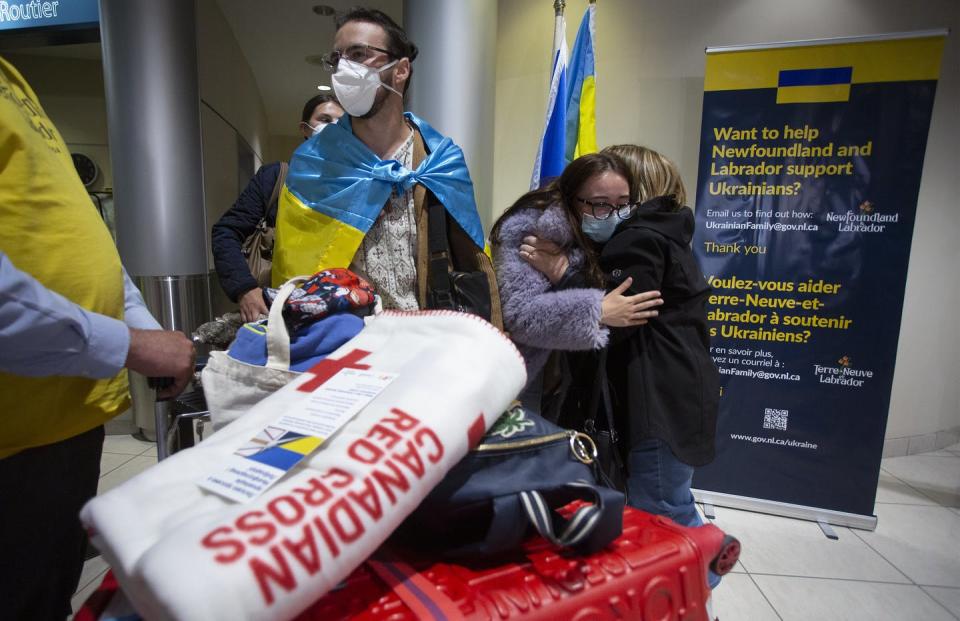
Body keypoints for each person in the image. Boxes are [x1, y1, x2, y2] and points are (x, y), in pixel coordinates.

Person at [0, 56, 196, 620]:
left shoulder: (14, 76)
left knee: (49, 591)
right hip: (13, 439)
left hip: (66, 421)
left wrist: (148, 331)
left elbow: (82, 241)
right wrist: (129, 346)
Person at [521, 145, 721, 590]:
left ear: (639, 190)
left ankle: (704, 575)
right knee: (663, 500)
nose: (611, 208)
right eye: (599, 200)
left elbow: (622, 319)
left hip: (658, 407)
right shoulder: (668, 233)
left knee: (663, 513)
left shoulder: (639, 239)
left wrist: (561, 272)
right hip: (676, 398)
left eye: (619, 198)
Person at [270, 8, 498, 322]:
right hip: (345, 343)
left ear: (400, 70)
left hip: (428, 339)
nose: (344, 69)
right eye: (337, 59)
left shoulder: (438, 160)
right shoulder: (315, 164)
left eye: (359, 54)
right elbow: (295, 276)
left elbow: (473, 262)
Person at [490, 152, 663, 411]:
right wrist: (597, 310)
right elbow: (520, 316)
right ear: (572, 200)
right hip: (526, 383)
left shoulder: (627, 231)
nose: (613, 214)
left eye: (623, 203)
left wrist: (565, 271)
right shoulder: (535, 233)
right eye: (600, 203)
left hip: (577, 385)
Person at [212, 93, 344, 322]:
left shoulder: (354, 185)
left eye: (341, 124)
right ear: (305, 129)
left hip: (337, 309)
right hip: (279, 307)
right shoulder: (275, 178)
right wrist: (245, 289)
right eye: (324, 120)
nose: (333, 128)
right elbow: (225, 232)